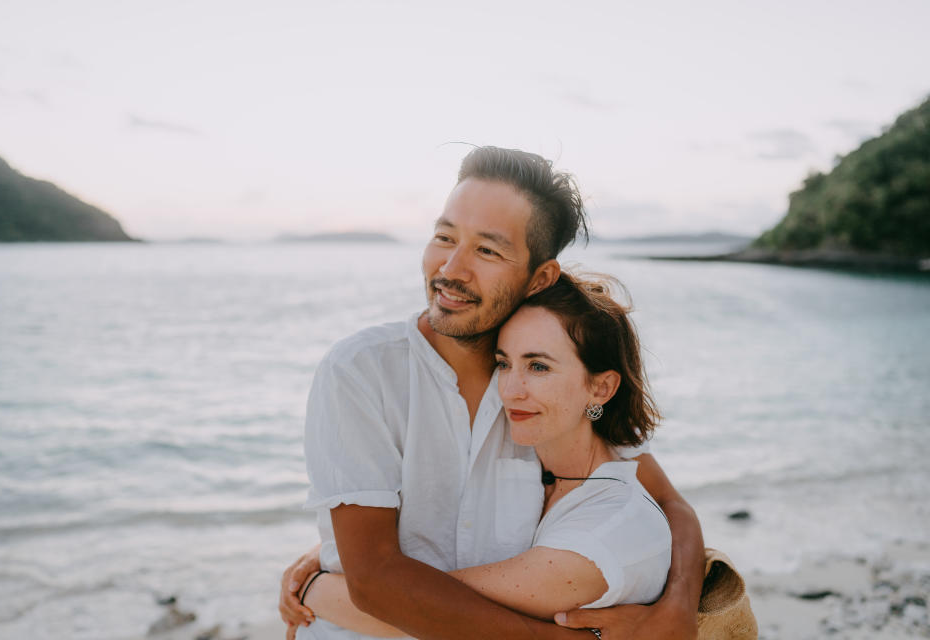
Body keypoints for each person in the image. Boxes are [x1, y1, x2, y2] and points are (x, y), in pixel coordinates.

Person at [280, 147, 704, 640]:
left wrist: (678, 607)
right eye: (444, 237)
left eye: (487, 250)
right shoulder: (361, 372)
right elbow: (374, 581)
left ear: (540, 278)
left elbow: (670, 505)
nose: (451, 269)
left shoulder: (550, 390)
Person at [291, 271, 673, 637]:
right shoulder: (543, 464)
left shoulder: (605, 534)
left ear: (601, 388)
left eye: (538, 366)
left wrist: (315, 588)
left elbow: (410, 607)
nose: (510, 390)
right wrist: (334, 546)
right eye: (504, 363)